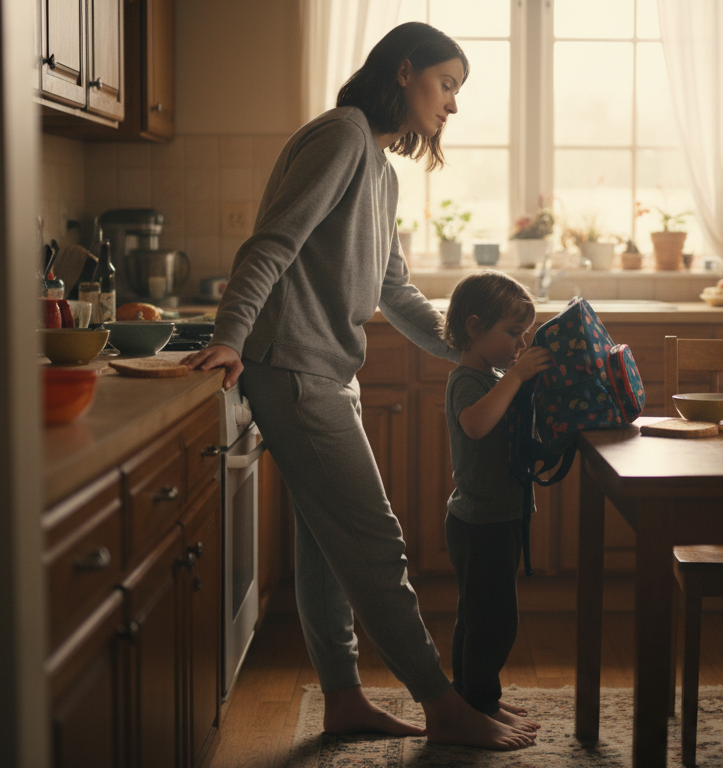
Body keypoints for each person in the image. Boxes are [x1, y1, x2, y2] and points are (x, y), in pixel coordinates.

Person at [182, 22, 534, 750]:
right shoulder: (342, 136)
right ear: (403, 73)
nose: (453, 105)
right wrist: (229, 335)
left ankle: (342, 699)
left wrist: (463, 348)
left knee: (326, 547)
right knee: (376, 545)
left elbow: (391, 287)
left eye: (458, 90)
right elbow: (272, 243)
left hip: (323, 372)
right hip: (293, 370)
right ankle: (442, 703)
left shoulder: (379, 168)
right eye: (447, 84)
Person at [441, 271, 551, 731]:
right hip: (480, 522)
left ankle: (475, 700)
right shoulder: (469, 379)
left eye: (523, 334)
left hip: (497, 517)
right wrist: (517, 376)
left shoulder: (494, 376)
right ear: (473, 327)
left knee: (478, 618)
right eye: (511, 333)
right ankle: (478, 706)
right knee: (494, 623)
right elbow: (476, 424)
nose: (518, 344)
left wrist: (520, 378)